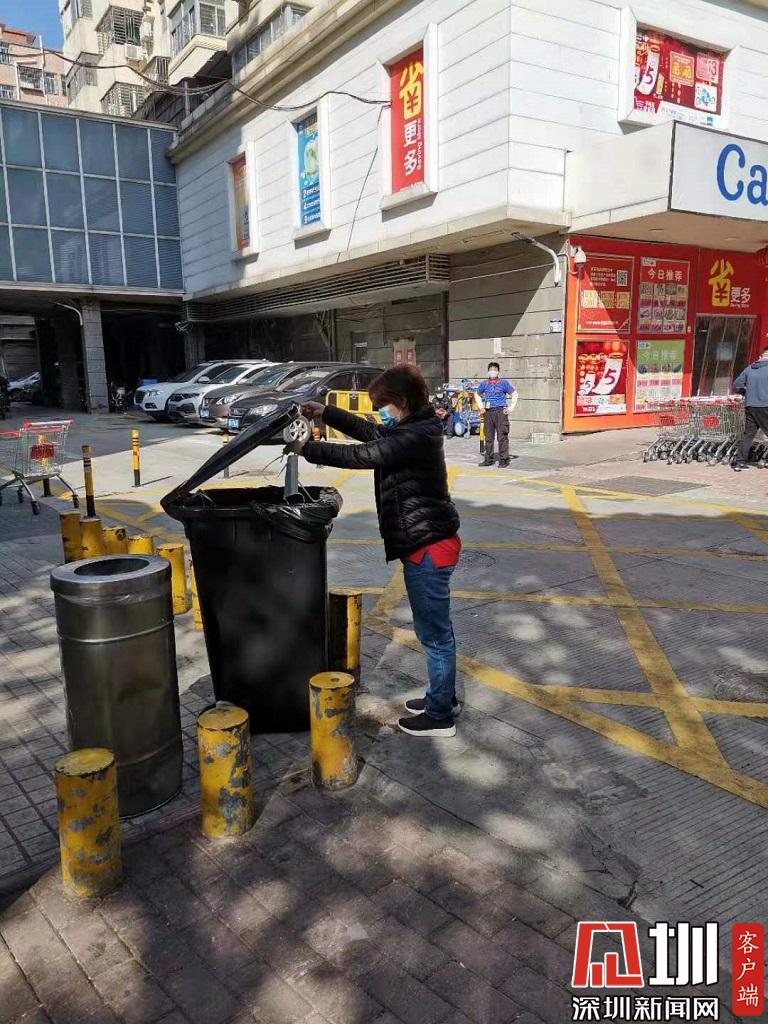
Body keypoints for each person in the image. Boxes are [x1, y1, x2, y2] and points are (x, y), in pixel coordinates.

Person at [288, 365, 462, 737]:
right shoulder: (413, 426)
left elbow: (366, 454)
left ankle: (440, 716)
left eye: (384, 405)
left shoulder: (415, 435)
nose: (380, 412)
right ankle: (443, 699)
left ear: (402, 401)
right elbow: (372, 433)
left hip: (429, 546)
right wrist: (326, 412)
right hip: (427, 541)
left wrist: (308, 449)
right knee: (436, 631)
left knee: (434, 635)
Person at [733, 347, 768, 470]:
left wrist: (745, 393)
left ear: (760, 356)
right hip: (765, 405)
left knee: (748, 435)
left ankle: (739, 463)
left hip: (750, 405)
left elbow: (736, 385)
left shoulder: (750, 368)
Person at [476, 361, 515, 467]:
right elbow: (477, 395)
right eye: (491, 370)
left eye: (495, 370)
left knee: (502, 436)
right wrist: (481, 407)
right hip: (488, 412)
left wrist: (510, 408)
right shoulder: (484, 384)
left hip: (500, 412)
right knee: (488, 437)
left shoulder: (503, 383)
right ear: (488, 371)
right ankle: (488, 459)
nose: (492, 372)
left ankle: (504, 459)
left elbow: (514, 394)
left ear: (498, 371)